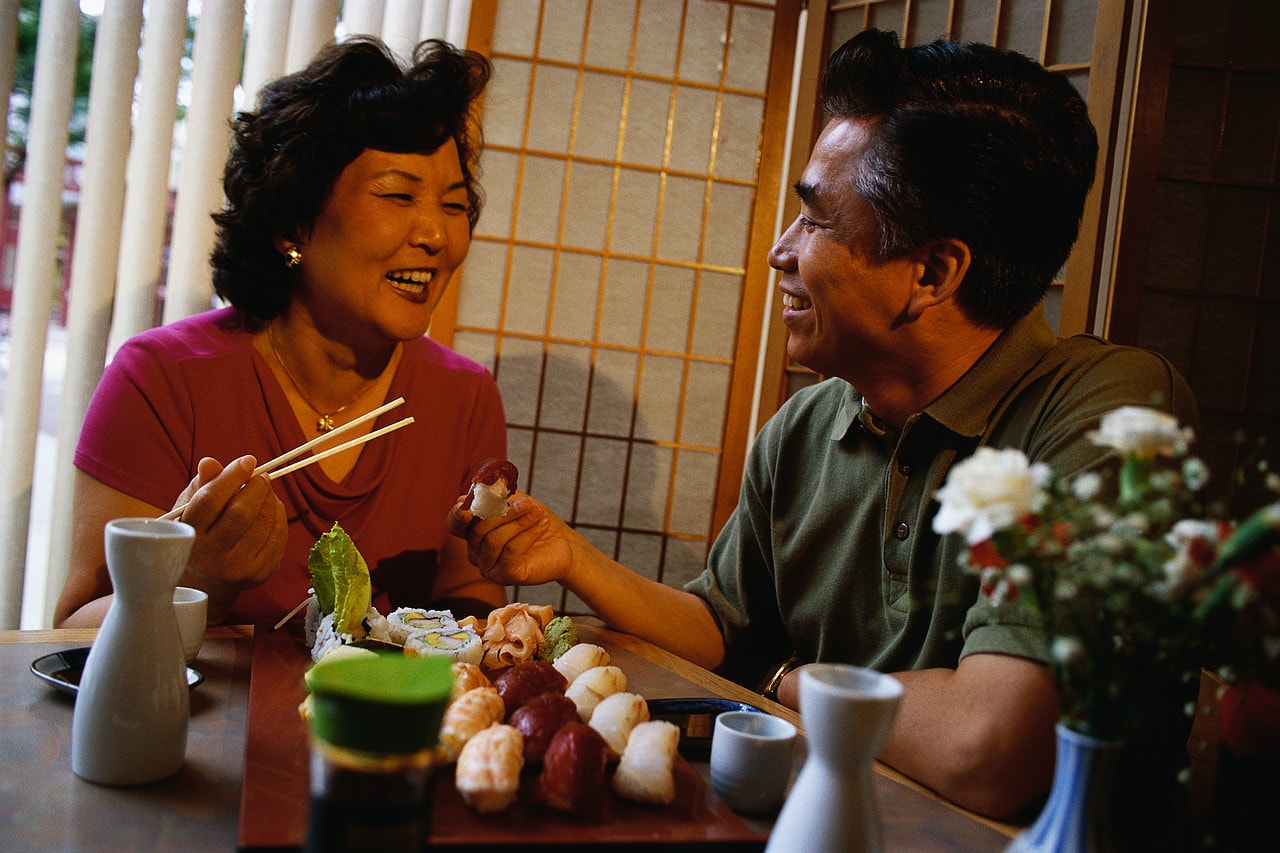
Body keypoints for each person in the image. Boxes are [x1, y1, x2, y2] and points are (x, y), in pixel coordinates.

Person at [447, 29, 1197, 820]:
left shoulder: (1112, 413)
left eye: (815, 221)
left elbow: (988, 748)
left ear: (934, 272)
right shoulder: (808, 425)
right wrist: (572, 557)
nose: (779, 252)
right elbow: (723, 629)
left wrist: (789, 679)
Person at [55, 37, 508, 629]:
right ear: (293, 221)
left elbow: (470, 605)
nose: (436, 236)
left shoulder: (464, 399)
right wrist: (199, 582)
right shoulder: (161, 381)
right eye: (398, 195)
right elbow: (70, 635)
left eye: (453, 205)